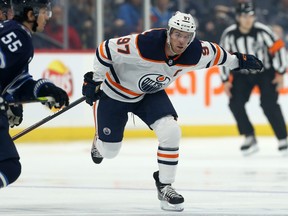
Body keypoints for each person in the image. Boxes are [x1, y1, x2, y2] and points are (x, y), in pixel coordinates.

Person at [82, 11, 263, 211]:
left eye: (187, 36)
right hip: (115, 94)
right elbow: (105, 49)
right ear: (169, 32)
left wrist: (239, 61)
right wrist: (94, 80)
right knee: (109, 152)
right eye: (177, 34)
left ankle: (165, 186)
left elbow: (218, 54)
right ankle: (99, 142)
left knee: (171, 131)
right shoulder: (145, 44)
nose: (182, 40)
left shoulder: (194, 52)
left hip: (149, 94)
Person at [0, 0, 69, 189]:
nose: (48, 17)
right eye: (45, 12)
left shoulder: (17, 34)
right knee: (8, 167)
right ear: (31, 15)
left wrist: (46, 89)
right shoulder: (18, 35)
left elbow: (18, 82)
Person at [219, 1, 288, 156]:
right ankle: (249, 136)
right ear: (238, 17)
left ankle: (283, 139)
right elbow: (223, 57)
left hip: (265, 72)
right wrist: (225, 81)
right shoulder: (229, 34)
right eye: (244, 16)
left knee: (269, 104)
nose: (248, 19)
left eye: (250, 16)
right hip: (242, 74)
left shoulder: (262, 31)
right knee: (235, 103)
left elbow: (278, 49)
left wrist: (280, 73)